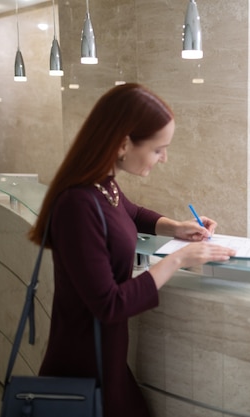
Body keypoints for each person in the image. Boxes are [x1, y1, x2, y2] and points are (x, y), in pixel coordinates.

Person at [28, 83, 235, 417]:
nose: (164, 158)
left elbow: (131, 211)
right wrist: (178, 259)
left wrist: (175, 226)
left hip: (106, 357)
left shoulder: (103, 184)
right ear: (124, 144)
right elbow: (109, 303)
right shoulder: (78, 204)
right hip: (83, 365)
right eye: (158, 149)